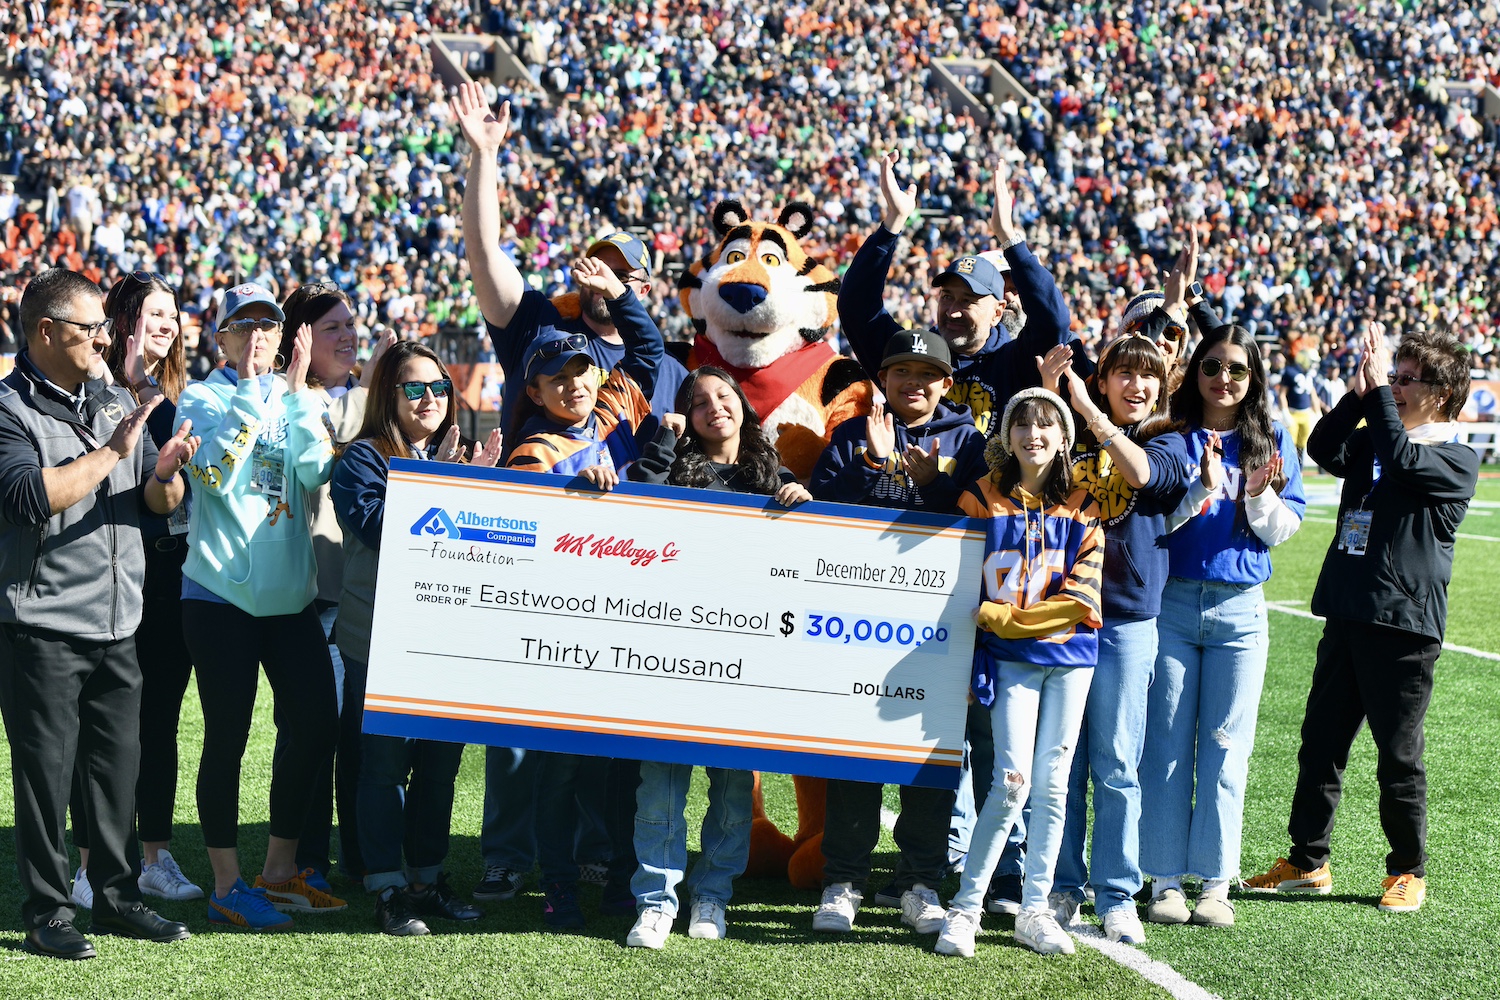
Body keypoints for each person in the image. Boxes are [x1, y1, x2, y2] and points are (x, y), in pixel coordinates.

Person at [1244, 329, 1478, 914]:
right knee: (1319, 744)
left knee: (1397, 755)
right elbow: (1323, 447)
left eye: (1406, 380)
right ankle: (1307, 860)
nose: (1395, 387)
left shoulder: (1456, 456)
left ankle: (1407, 869)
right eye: (1391, 376)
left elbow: (1401, 458)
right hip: (1348, 610)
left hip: (1403, 626)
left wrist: (1374, 396)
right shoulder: (1380, 433)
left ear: (1444, 392)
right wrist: (1356, 395)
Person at [0, 267, 195, 958]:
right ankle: (50, 912)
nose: (104, 340)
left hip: (121, 621)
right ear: (46, 331)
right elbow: (28, 497)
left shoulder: (115, 396)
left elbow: (152, 506)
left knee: (117, 773)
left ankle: (116, 898)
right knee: (47, 779)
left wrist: (164, 474)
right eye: (91, 329)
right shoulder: (8, 407)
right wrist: (111, 449)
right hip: (43, 625)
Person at [174, 282, 346, 931]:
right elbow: (212, 478)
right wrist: (251, 394)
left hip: (288, 599)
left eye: (268, 325)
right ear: (220, 338)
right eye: (243, 325)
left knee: (316, 724)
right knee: (228, 738)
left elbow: (313, 471)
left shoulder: (293, 395)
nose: (258, 337)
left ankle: (278, 871)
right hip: (218, 596)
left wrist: (297, 397)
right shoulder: (201, 396)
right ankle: (226, 885)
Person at [624, 366, 812, 949]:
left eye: (723, 396)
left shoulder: (772, 472)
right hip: (674, 646)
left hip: (747, 655)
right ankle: (655, 900)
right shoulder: (673, 467)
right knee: (661, 782)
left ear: (742, 406)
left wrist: (804, 501)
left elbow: (811, 554)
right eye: (699, 401)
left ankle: (712, 895)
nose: (713, 407)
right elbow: (634, 506)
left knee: (734, 787)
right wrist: (661, 439)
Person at [807, 327, 984, 935]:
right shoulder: (853, 434)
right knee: (855, 750)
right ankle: (844, 880)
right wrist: (874, 464)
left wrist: (935, 481)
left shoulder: (970, 440)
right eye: (901, 371)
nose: (913, 382)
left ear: (946, 382)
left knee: (931, 757)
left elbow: (982, 517)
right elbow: (822, 515)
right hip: (859, 621)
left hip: (939, 626)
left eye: (925, 373)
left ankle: (920, 881)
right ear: (882, 378)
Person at [504, 256, 662, 930]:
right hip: (563, 626)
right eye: (555, 377)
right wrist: (578, 497)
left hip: (627, 618)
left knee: (623, 768)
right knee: (560, 769)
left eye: (581, 371)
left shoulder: (611, 412)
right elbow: (525, 540)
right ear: (534, 392)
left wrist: (618, 294)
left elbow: (650, 349)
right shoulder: (531, 453)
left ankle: (624, 878)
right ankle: (559, 885)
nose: (572, 384)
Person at [1138, 318, 1306, 929]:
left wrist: (1257, 497)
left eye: (1238, 368)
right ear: (1196, 372)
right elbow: (1151, 527)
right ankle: (1162, 880)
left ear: (1254, 376)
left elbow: (1283, 530)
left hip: (1240, 610)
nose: (1224, 378)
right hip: (1174, 605)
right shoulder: (1171, 437)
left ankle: (1214, 882)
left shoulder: (1273, 440)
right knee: (1166, 746)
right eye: (1212, 366)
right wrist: (1200, 493)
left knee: (1225, 748)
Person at [331, 340, 500, 935]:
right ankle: (387, 886)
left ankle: (427, 880)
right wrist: (446, 486)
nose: (429, 398)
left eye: (438, 387)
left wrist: (470, 489)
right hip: (377, 637)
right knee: (381, 768)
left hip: (447, 640)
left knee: (438, 770)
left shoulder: (466, 458)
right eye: (414, 388)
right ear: (388, 395)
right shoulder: (359, 459)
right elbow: (381, 528)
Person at [934, 388, 1103, 959]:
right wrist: (998, 621)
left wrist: (1003, 619)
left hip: (1070, 662)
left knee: (1054, 786)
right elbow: (956, 580)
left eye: (1047, 426)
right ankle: (965, 909)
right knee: (1011, 783)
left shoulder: (1083, 504)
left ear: (1063, 439)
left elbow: (1082, 598)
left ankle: (1035, 908)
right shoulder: (980, 498)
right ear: (1005, 436)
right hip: (1011, 664)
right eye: (1022, 424)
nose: (1034, 435)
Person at [1049, 335, 1194, 946]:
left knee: (1114, 761)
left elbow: (1138, 474)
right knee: (1062, 760)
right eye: (1124, 375)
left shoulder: (1168, 442)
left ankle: (1116, 893)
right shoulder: (1070, 433)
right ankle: (1061, 883)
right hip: (1060, 613)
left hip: (1128, 620)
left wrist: (1090, 410)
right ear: (1104, 377)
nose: (1137, 386)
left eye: (1148, 377)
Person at [450, 80, 688, 439]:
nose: (604, 281)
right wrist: (484, 154)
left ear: (645, 288)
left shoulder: (669, 369)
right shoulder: (542, 326)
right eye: (598, 268)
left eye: (620, 275)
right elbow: (484, 251)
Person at [74, 271, 203, 904]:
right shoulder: (88, 390)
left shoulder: (173, 398)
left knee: (160, 721)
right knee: (97, 724)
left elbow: (164, 499)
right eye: (156, 311)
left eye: (174, 314)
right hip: (100, 574)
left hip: (167, 577)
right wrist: (116, 390)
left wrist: (169, 478)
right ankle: (86, 863)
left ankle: (155, 855)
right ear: (123, 319)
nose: (169, 323)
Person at [274, 280, 394, 887]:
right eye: (333, 328)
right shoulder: (283, 400)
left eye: (352, 324)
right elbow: (327, 446)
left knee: (358, 735)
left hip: (365, 591)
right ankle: (304, 859)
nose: (348, 335)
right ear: (299, 339)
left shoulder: (365, 398)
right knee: (309, 731)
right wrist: (373, 387)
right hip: (308, 594)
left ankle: (361, 858)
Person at [839, 154, 1086, 440]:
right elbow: (857, 307)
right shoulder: (910, 356)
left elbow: (1053, 322)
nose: (953, 311)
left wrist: (1008, 236)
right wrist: (892, 223)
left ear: (998, 312)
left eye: (968, 300)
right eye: (947, 297)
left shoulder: (1017, 360)